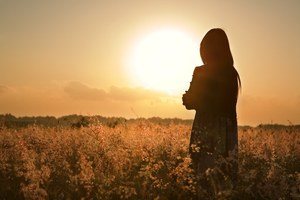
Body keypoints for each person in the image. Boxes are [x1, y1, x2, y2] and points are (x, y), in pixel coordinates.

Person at [182, 28, 241, 197]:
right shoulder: (232, 72)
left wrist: (188, 98)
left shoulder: (202, 71)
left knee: (202, 176)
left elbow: (192, 102)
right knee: (223, 179)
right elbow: (224, 103)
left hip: (205, 126)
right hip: (227, 130)